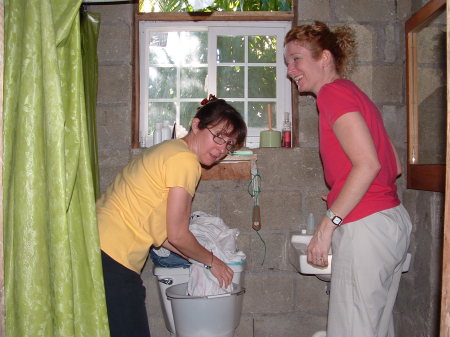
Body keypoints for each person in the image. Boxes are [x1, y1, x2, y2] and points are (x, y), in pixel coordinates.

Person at [284, 21, 412, 337]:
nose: (290, 70)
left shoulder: (331, 95)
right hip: (391, 222)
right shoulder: (355, 93)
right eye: (287, 62)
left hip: (366, 226)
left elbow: (367, 165)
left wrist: (327, 226)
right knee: (375, 328)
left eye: (297, 59)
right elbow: (392, 164)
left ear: (324, 57)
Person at [96, 95, 247, 337]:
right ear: (196, 125)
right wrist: (213, 261)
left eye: (230, 145)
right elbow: (178, 234)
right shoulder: (185, 161)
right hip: (113, 255)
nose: (221, 149)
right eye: (219, 136)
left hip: (97, 247)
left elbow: (165, 233)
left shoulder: (169, 150)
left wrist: (200, 258)